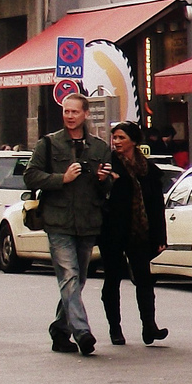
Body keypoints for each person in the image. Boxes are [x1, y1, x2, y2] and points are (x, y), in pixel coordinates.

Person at [24, 93, 113, 356]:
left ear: (86, 114)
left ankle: (60, 329)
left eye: (75, 112)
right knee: (69, 276)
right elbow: (30, 176)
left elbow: (106, 188)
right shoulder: (49, 144)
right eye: (66, 111)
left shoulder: (99, 147)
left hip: (87, 221)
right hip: (58, 221)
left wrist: (102, 179)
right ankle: (82, 332)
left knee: (78, 279)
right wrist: (61, 178)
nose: (70, 116)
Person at [98, 120, 169, 347]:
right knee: (113, 278)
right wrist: (106, 182)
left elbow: (156, 206)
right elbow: (97, 195)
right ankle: (115, 329)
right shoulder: (108, 165)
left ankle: (149, 326)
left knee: (144, 279)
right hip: (112, 231)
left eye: (121, 138)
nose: (116, 142)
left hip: (139, 232)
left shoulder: (147, 169)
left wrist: (160, 237)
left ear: (134, 141)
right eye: (115, 138)